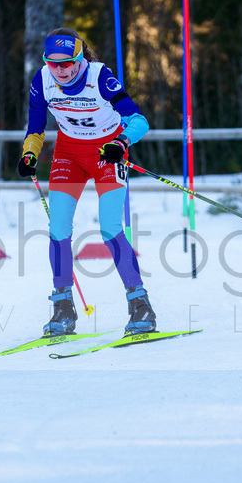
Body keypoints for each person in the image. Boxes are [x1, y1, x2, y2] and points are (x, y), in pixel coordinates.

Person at [18, 27, 155, 336]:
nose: (61, 69)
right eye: (54, 63)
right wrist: (29, 154)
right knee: (58, 229)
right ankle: (63, 309)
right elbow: (36, 129)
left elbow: (138, 121)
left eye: (67, 62)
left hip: (106, 152)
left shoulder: (99, 77)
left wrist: (121, 142)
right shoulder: (42, 81)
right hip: (69, 154)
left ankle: (140, 305)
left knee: (109, 227)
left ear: (80, 59)